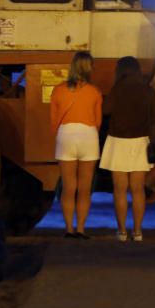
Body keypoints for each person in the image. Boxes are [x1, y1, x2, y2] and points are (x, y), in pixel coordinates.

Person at [101, 56, 155, 242]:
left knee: (120, 189)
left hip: (118, 142)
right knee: (137, 190)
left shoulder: (117, 89)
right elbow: (154, 118)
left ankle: (122, 232)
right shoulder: (148, 91)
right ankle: (138, 231)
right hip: (140, 142)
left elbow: (106, 111)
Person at [50, 51, 102, 239]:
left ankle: (68, 229)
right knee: (84, 188)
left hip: (66, 134)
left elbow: (53, 121)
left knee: (68, 186)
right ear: (89, 67)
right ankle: (81, 228)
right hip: (88, 135)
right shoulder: (94, 92)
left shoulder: (58, 90)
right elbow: (98, 122)